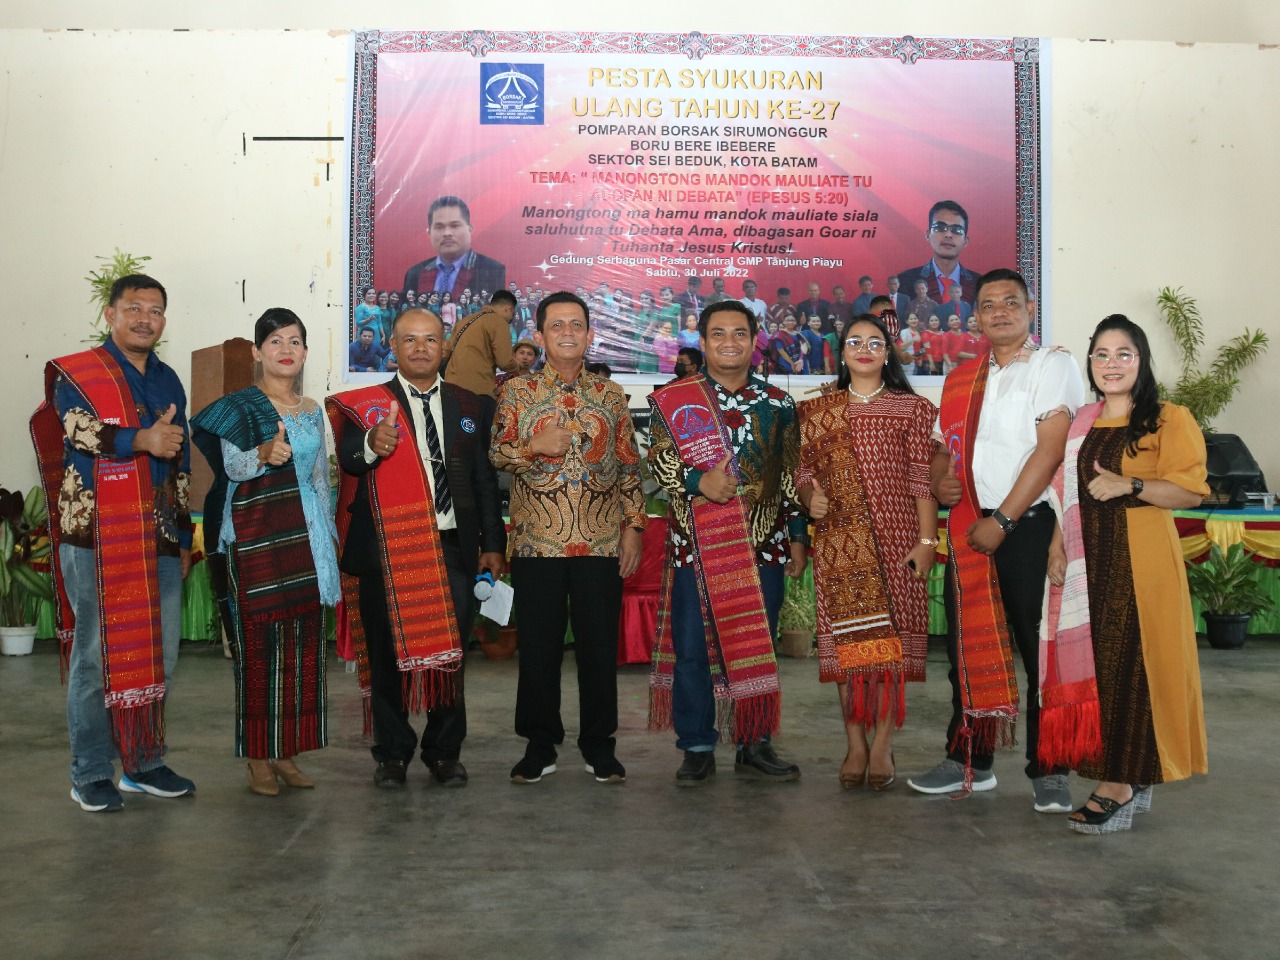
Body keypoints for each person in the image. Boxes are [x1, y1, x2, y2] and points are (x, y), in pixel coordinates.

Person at [907, 268, 1086, 812]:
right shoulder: (961, 378)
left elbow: (1051, 449)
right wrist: (940, 478)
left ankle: (1049, 769)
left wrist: (1004, 521)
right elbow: (944, 447)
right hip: (967, 527)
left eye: (1011, 302)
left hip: (1027, 529)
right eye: (989, 305)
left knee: (1039, 654)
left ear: (1030, 310)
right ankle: (970, 762)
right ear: (976, 316)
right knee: (967, 651)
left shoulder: (1053, 365)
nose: (1000, 311)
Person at [30, 274, 195, 812]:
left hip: (161, 536)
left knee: (158, 655)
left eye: (155, 309)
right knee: (96, 658)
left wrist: (187, 532)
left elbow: (181, 455)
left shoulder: (169, 378)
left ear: (163, 320)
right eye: (134, 308)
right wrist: (139, 439)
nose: (144, 317)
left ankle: (143, 763)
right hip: (95, 536)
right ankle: (90, 773)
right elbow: (77, 430)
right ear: (110, 313)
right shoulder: (78, 374)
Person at [1040, 315, 1208, 834]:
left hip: (1140, 566)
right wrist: (1056, 547)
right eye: (1102, 355)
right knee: (1101, 671)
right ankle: (1127, 775)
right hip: (1086, 564)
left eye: (1123, 354)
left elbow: (1190, 491)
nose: (1111, 364)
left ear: (1142, 361)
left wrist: (1129, 484)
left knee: (1137, 669)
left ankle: (1120, 781)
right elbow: (1066, 495)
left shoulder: (1168, 419)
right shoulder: (1082, 421)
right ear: (1090, 364)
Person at [328, 308, 506, 788]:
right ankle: (392, 753)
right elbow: (348, 460)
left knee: (449, 656)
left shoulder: (472, 405)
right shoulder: (365, 405)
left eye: (430, 339)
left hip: (454, 550)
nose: (421, 348)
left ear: (445, 346)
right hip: (388, 549)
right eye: (410, 340)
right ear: (393, 345)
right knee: (387, 656)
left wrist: (493, 543)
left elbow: (485, 481)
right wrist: (371, 443)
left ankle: (444, 751)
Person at [647, 300, 809, 785]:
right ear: (703, 341)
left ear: (755, 338)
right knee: (694, 650)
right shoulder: (673, 399)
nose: (729, 343)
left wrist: (798, 537)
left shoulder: (779, 403)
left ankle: (754, 740)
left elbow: (791, 476)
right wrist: (698, 482)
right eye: (718, 334)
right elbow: (657, 462)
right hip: (695, 546)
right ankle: (696, 746)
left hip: (764, 546)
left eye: (739, 333)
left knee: (757, 644)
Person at [490, 291, 646, 785]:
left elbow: (628, 469)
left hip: (601, 544)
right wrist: (533, 446)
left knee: (599, 649)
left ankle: (600, 745)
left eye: (576, 325)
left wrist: (634, 529)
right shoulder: (516, 393)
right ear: (538, 337)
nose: (567, 333)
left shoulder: (612, 395)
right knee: (539, 648)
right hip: (539, 542)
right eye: (556, 326)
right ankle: (540, 745)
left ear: (589, 334)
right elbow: (495, 455)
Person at [191, 309, 339, 797]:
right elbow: (232, 467)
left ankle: (285, 752)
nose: (286, 350)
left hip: (306, 536)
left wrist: (327, 539)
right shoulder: (242, 407)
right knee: (259, 652)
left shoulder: (312, 408)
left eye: (295, 341)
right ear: (257, 351)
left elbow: (320, 476)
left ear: (305, 352)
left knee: (301, 649)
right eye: (275, 341)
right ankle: (257, 758)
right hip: (256, 537)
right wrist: (263, 455)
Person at [797, 314, 938, 790]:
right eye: (854, 341)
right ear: (841, 352)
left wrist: (927, 541)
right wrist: (807, 497)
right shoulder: (818, 410)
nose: (863, 348)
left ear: (887, 352)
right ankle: (854, 743)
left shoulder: (912, 408)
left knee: (889, 649)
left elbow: (922, 480)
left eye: (874, 342)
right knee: (848, 648)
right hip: (840, 541)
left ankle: (881, 744)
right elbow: (803, 473)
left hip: (899, 539)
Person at [402, 195, 506, 301]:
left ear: (470, 229)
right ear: (429, 233)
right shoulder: (415, 273)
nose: (447, 233)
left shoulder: (494, 270)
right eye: (439, 227)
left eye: (455, 226)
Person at [896, 200, 980, 306]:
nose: (948, 234)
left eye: (957, 230)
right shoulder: (904, 282)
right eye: (940, 228)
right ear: (927, 235)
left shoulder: (981, 284)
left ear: (966, 241)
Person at [442, 289, 519, 399]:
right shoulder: (499, 322)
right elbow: (505, 362)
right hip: (477, 391)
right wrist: (519, 369)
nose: (511, 318)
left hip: (450, 387)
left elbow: (446, 352)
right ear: (509, 309)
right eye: (512, 314)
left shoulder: (466, 320)